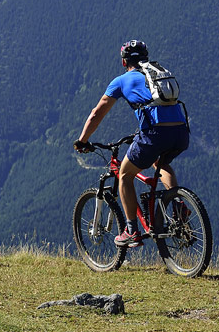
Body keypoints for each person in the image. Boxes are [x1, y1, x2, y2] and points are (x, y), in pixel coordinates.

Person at [74, 40, 189, 248]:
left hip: (155, 133)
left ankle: (131, 231)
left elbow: (96, 114)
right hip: (181, 132)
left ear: (123, 61)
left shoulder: (121, 80)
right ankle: (178, 206)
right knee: (160, 164)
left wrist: (82, 140)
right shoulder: (159, 73)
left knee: (125, 175)